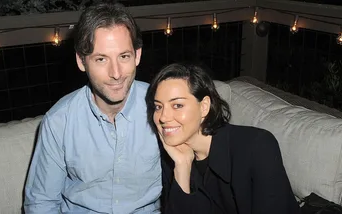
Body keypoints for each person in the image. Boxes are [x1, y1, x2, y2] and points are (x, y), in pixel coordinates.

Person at [24, 3, 162, 213]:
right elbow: (41, 203)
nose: (116, 73)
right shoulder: (59, 121)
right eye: (101, 59)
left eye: (124, 56)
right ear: (81, 61)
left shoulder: (162, 106)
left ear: (138, 55)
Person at [145, 62, 301, 214]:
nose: (163, 117)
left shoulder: (257, 147)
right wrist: (182, 166)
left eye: (177, 105)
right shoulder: (172, 155)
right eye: (158, 106)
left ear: (204, 106)